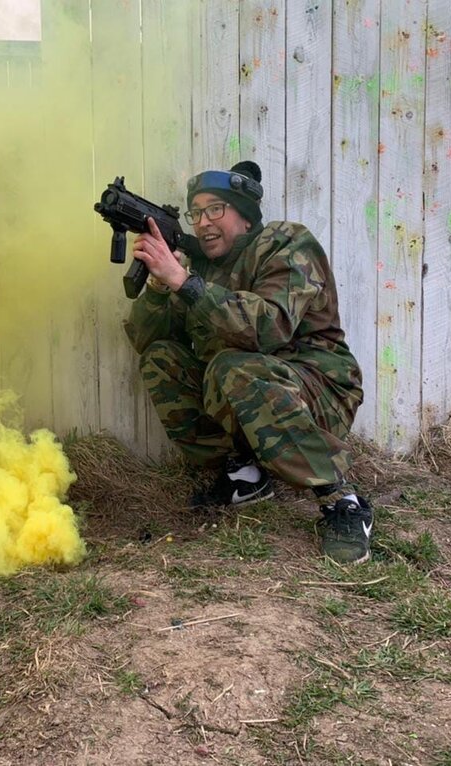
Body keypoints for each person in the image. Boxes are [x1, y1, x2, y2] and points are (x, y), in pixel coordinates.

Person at [124, 160, 373, 565]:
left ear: (245, 215)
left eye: (215, 209)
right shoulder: (198, 267)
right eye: (196, 213)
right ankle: (245, 478)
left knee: (232, 367)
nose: (203, 222)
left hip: (318, 392)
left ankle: (342, 499)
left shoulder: (287, 243)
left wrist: (185, 283)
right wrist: (158, 283)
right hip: (245, 397)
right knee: (161, 359)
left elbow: (267, 328)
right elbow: (146, 341)